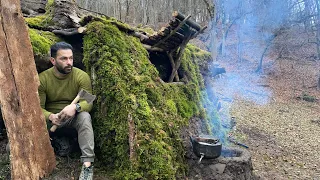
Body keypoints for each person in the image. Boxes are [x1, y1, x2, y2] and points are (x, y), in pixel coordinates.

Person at [38, 42, 94, 180]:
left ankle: (87, 165)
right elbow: (37, 108)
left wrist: (76, 107)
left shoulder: (81, 76)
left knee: (85, 117)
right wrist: (50, 116)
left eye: (71, 58)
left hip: (72, 119)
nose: (69, 62)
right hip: (51, 122)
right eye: (64, 59)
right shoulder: (42, 79)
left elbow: (89, 101)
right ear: (53, 61)